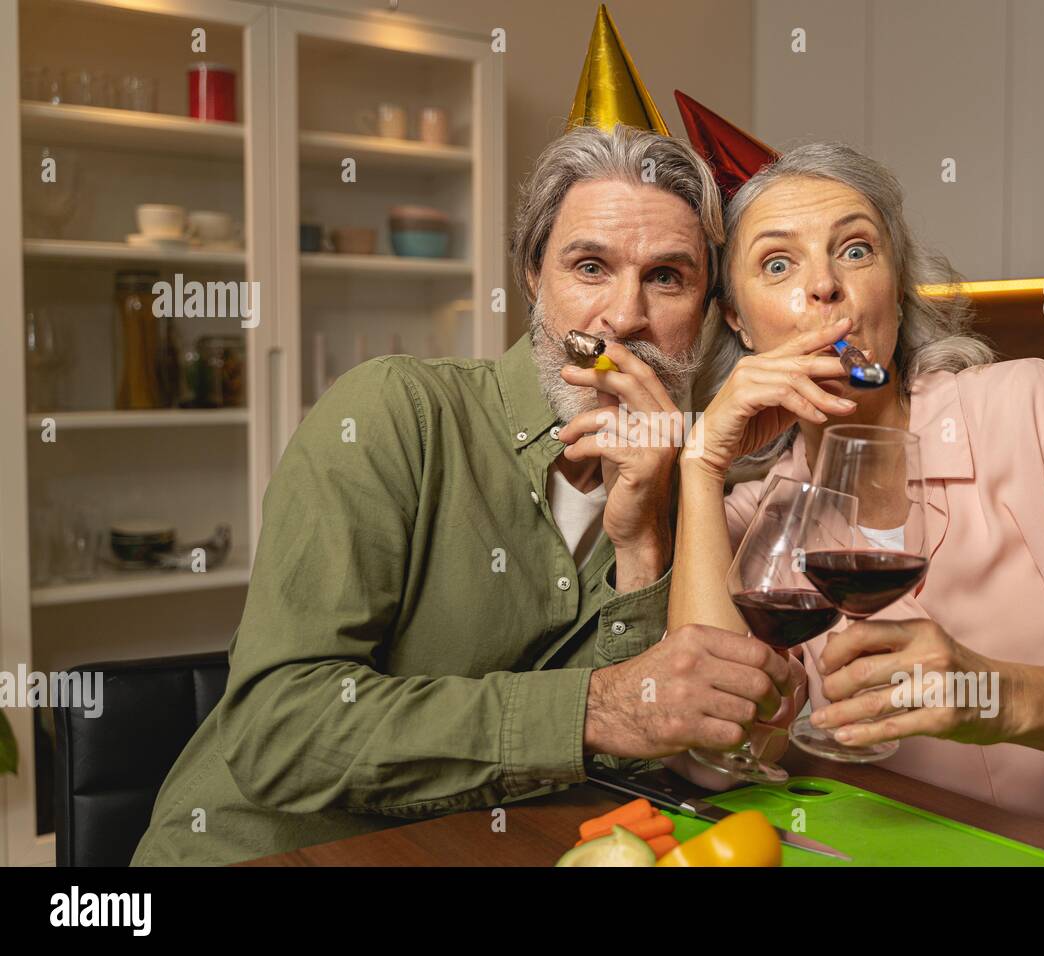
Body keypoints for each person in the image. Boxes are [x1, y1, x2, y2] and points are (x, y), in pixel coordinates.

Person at [131, 125, 797, 866]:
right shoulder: (394, 413)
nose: (624, 317)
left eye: (668, 277)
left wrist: (642, 543)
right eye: (589, 266)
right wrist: (598, 708)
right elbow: (280, 730)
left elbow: (640, 764)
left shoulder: (686, 490)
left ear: (706, 314)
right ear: (532, 279)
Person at [669, 142, 1044, 865]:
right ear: (738, 321)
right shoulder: (757, 515)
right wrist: (700, 465)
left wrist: (999, 696)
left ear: (894, 288)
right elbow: (716, 748)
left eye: (856, 250)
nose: (824, 286)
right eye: (777, 264)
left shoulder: (1029, 408)